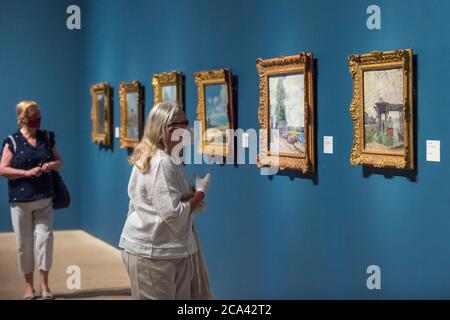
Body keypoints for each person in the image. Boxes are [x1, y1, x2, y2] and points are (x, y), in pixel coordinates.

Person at [119, 101, 212, 300]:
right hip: (153, 251)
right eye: (185, 123)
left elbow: (164, 200)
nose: (188, 128)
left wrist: (191, 194)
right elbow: (173, 214)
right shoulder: (162, 163)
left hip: (166, 248)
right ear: (170, 129)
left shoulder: (168, 159)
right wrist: (200, 193)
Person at [0, 100, 63, 300]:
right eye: (32, 115)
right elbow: (3, 169)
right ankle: (29, 287)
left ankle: (45, 285)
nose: (37, 118)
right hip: (20, 201)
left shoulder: (46, 137)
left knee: (45, 241)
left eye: (38, 114)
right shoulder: (13, 141)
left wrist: (51, 165)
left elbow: (59, 161)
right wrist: (26, 173)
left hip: (44, 199)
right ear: (22, 118)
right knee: (24, 245)